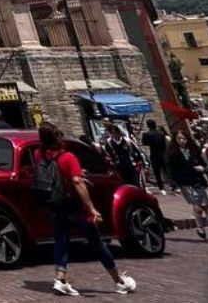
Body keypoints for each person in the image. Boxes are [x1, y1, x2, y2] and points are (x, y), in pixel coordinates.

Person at [34, 122, 137, 296]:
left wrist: (75, 173)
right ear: (58, 137)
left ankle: (61, 279)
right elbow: (76, 182)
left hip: (56, 204)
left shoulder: (39, 155)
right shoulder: (68, 157)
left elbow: (55, 173)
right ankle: (119, 280)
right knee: (97, 242)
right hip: (74, 205)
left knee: (61, 240)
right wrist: (91, 208)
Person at [167, 129, 208, 243]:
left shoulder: (194, 149)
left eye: (184, 138)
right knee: (197, 207)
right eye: (179, 139)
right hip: (186, 183)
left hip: (198, 180)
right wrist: (174, 184)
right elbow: (172, 169)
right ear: (175, 140)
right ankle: (200, 226)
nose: (182, 141)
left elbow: (203, 163)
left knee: (207, 206)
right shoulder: (173, 153)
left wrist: (203, 169)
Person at [101, 124, 145, 188]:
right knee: (124, 185)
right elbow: (107, 155)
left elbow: (137, 152)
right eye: (112, 133)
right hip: (119, 168)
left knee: (136, 184)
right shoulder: (109, 143)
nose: (114, 134)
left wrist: (139, 162)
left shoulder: (127, 141)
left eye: (115, 132)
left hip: (131, 166)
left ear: (119, 132)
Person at [141, 121, 168, 194]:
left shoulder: (146, 134)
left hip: (154, 154)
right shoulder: (161, 134)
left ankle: (161, 188)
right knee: (166, 170)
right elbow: (164, 145)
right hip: (162, 154)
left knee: (157, 172)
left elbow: (144, 143)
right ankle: (173, 185)